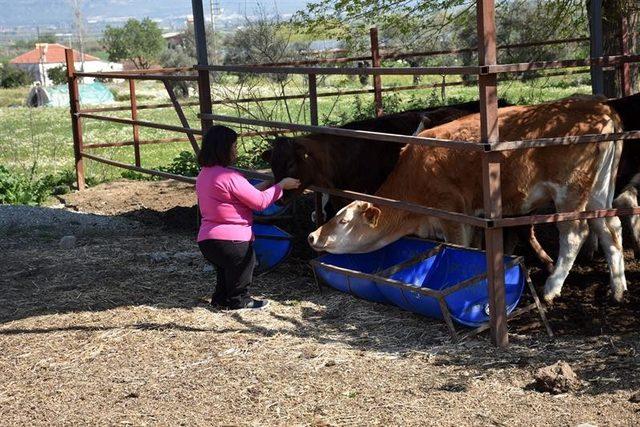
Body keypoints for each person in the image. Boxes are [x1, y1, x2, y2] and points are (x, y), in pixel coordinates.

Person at [196, 125, 300, 310]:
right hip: (232, 240)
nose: (236, 150)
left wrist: (268, 184)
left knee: (225, 268)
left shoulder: (204, 174)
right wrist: (281, 186)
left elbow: (242, 194)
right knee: (244, 263)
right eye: (233, 146)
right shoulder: (229, 176)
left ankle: (220, 299)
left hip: (208, 240)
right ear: (223, 149)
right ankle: (240, 299)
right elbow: (259, 203)